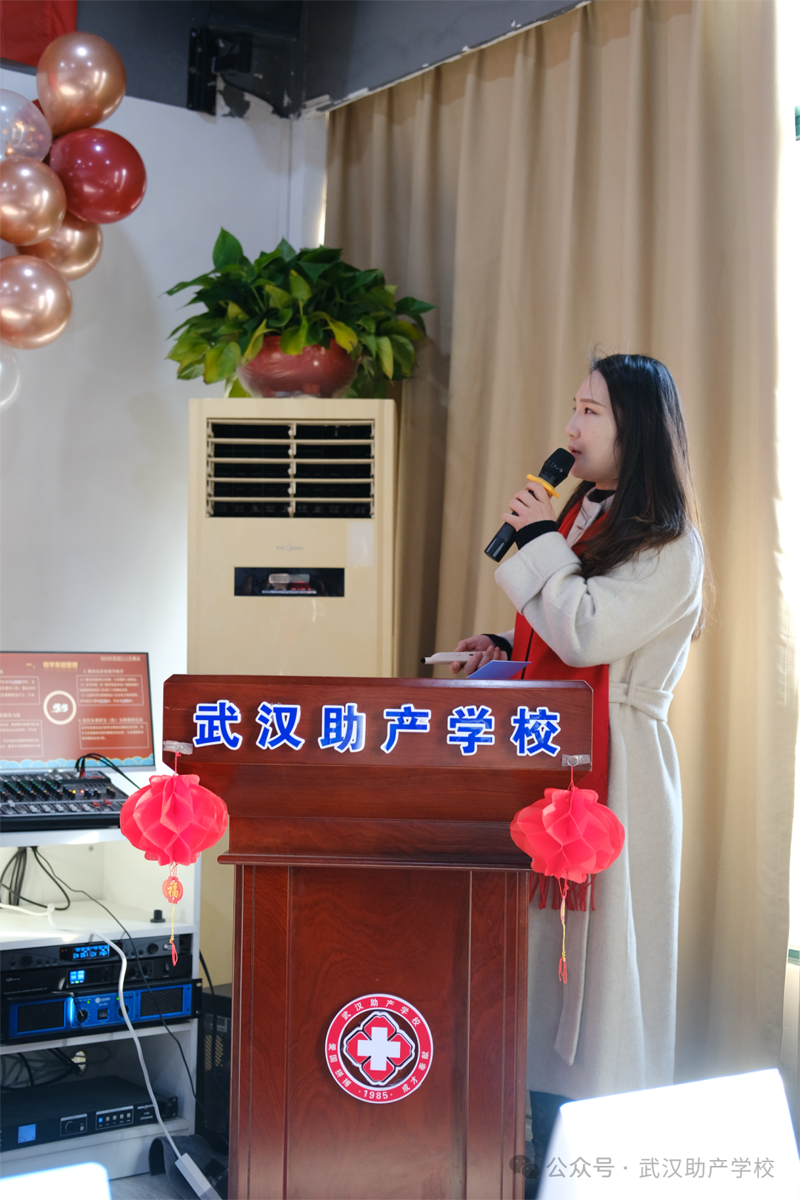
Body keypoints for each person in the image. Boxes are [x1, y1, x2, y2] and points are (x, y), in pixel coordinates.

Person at [451, 354, 706, 1186]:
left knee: (604, 982)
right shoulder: (585, 515)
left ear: (637, 427)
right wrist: (503, 648)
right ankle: (531, 1156)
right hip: (550, 760)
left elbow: (591, 633)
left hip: (618, 769)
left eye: (591, 411)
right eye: (574, 407)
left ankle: (598, 1169)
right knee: (543, 977)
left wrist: (537, 542)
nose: (571, 428)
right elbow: (561, 629)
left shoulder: (670, 542)